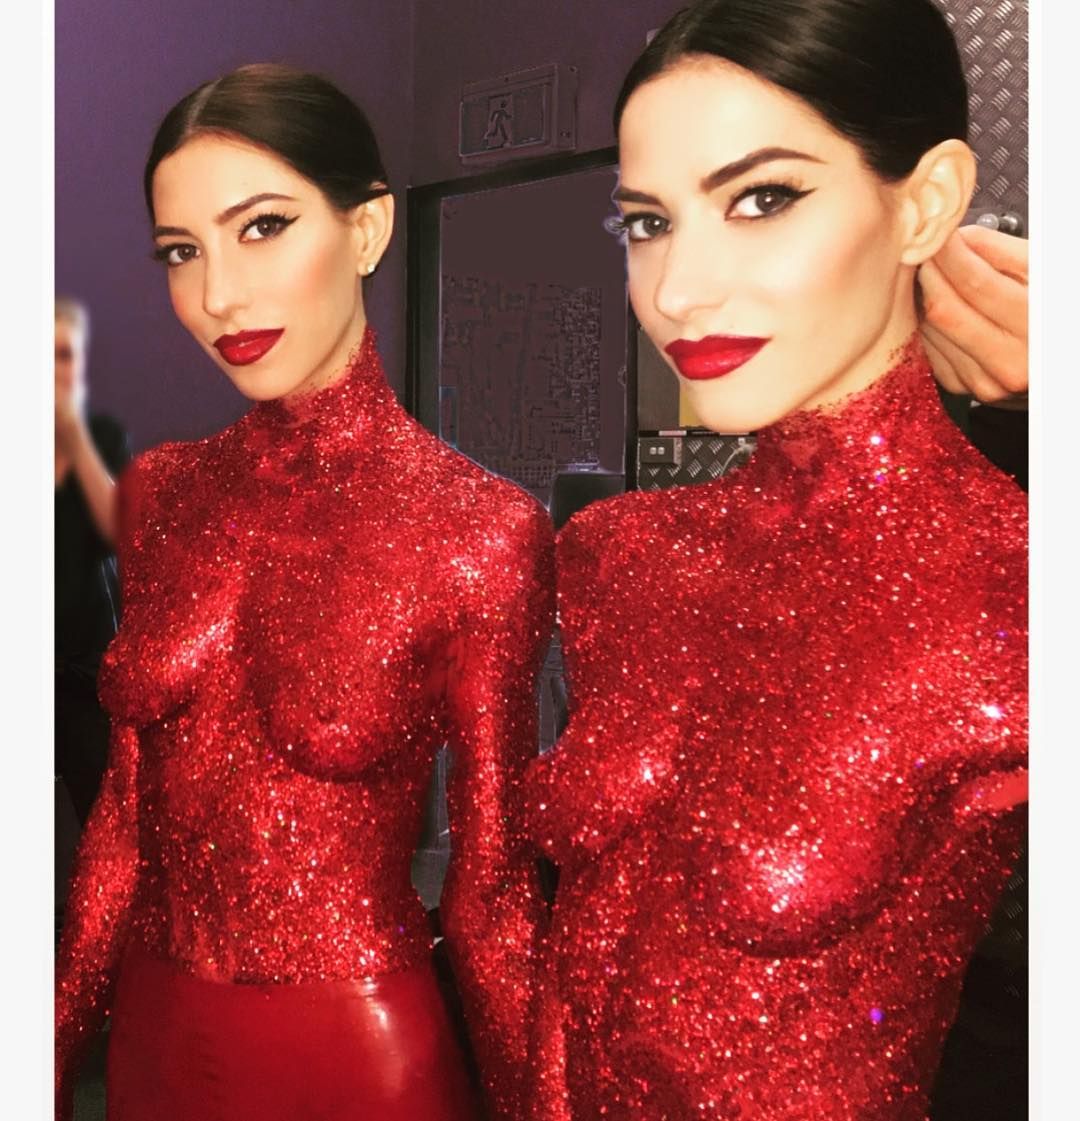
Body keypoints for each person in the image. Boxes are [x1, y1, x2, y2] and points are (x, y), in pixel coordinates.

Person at [527, 2, 1027, 1118]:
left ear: (925, 204)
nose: (676, 290)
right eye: (647, 222)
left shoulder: (1016, 585)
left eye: (761, 198)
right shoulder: (620, 553)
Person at [54, 64, 554, 1121]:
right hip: (151, 1042)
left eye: (263, 227)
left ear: (367, 229)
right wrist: (46, 1053)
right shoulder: (166, 493)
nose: (218, 297)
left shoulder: (479, 530)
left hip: (354, 1054)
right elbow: (122, 825)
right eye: (182, 252)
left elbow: (494, 893)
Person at [54, 297, 130, 827]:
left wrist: (71, 432)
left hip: (86, 673)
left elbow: (116, 529)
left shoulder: (100, 437)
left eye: (65, 355)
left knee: (106, 822)